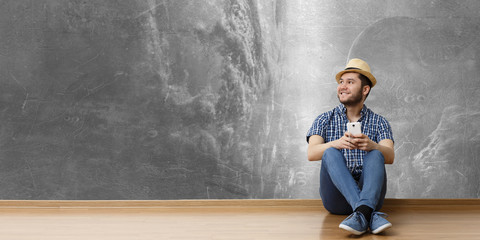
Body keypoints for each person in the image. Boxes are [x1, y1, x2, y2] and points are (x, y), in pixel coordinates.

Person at [306, 58, 395, 235]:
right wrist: (337, 143)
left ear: (365, 90)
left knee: (377, 154)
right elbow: (311, 153)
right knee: (330, 152)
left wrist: (372, 145)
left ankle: (361, 213)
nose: (342, 86)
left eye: (350, 82)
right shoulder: (324, 119)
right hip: (336, 199)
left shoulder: (380, 122)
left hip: (370, 194)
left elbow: (390, 157)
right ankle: (368, 213)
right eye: (341, 82)